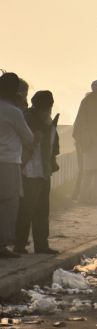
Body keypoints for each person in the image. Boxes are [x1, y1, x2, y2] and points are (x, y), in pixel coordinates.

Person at [14, 91, 59, 255]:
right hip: (29, 172)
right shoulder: (26, 119)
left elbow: (54, 146)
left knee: (42, 210)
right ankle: (20, 244)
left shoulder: (48, 122)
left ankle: (41, 245)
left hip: (43, 171)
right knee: (26, 210)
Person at [0, 73, 34, 259]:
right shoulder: (14, 112)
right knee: (8, 204)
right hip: (8, 162)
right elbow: (28, 138)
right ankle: (2, 245)